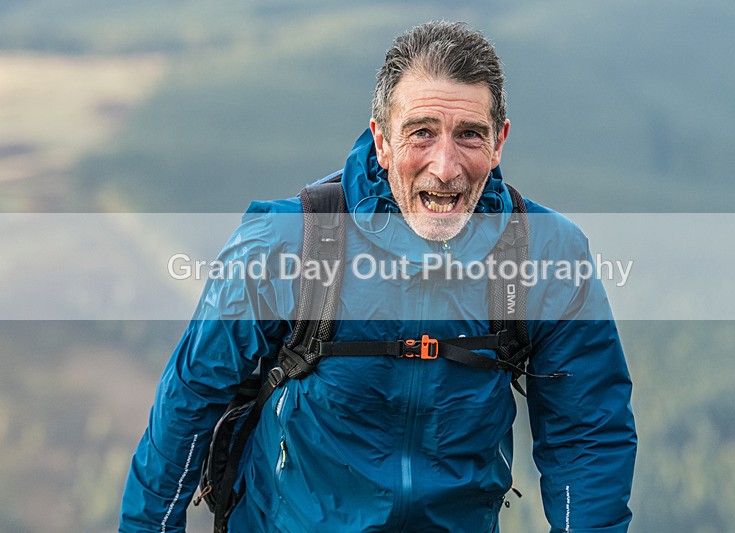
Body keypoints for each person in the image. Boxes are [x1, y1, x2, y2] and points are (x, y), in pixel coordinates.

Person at [120, 21, 636, 532]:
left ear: (499, 142)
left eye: (470, 135)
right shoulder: (288, 242)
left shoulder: (546, 256)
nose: (446, 166)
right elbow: (191, 398)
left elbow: (587, 436)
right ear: (382, 140)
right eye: (421, 133)